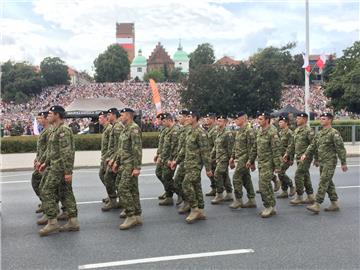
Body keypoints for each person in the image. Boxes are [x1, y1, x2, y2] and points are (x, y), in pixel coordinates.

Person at [38, 106, 79, 236]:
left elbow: (67, 153)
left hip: (59, 168)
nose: (47, 116)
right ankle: (73, 221)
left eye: (50, 114)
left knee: (46, 191)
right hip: (54, 166)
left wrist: (68, 172)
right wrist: (45, 162)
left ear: (57, 115)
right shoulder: (55, 130)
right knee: (65, 193)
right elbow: (52, 150)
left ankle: (52, 223)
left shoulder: (63, 130)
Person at [301, 112, 348, 213]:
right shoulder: (320, 133)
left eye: (323, 119)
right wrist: (308, 155)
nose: (321, 120)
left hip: (330, 162)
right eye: (321, 118)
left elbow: (340, 148)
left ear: (329, 120)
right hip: (322, 162)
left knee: (323, 182)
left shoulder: (334, 133)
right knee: (328, 182)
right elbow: (313, 146)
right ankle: (334, 203)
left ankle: (317, 204)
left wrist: (343, 162)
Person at [171, 111, 212, 224]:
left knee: (186, 184)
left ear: (195, 118)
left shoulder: (201, 133)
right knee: (196, 186)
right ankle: (201, 210)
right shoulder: (190, 131)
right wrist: (177, 161)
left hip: (195, 165)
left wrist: (208, 169)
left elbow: (205, 153)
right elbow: (184, 149)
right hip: (188, 163)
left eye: (189, 116)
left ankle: (194, 209)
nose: (187, 118)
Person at [112, 108, 143, 230]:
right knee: (133, 189)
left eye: (122, 114)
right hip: (124, 163)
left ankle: (131, 215)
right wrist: (117, 162)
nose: (120, 116)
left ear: (129, 116)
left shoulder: (134, 128)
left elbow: (137, 149)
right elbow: (122, 149)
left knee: (123, 188)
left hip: (130, 164)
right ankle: (137, 214)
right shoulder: (126, 129)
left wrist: (137, 167)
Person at [247, 112, 282, 218]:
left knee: (263, 185)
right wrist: (251, 160)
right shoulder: (260, 131)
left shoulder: (272, 132)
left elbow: (276, 151)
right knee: (267, 186)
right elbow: (255, 147)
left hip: (269, 162)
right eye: (258, 119)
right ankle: (272, 206)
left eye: (261, 119)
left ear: (267, 120)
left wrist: (277, 166)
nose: (258, 121)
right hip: (262, 162)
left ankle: (268, 206)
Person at [284, 112, 315, 205]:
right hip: (298, 157)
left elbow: (313, 144)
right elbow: (292, 144)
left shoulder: (309, 130)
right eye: (296, 118)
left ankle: (299, 196)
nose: (296, 120)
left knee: (298, 175)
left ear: (304, 119)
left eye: (299, 118)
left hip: (305, 157)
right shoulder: (297, 130)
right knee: (305, 176)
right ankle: (310, 196)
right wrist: (287, 154)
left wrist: (307, 155)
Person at [229, 112, 257, 209]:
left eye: (237, 119)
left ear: (243, 119)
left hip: (245, 158)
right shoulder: (239, 131)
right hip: (239, 157)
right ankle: (252, 199)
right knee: (246, 179)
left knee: (236, 177)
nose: (235, 121)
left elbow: (252, 147)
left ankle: (238, 200)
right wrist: (232, 157)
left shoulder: (249, 131)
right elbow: (235, 146)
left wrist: (251, 161)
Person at [102, 108, 123, 211]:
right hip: (113, 157)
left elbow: (119, 146)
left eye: (109, 115)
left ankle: (114, 200)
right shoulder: (115, 126)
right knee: (114, 179)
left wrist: (114, 159)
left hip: (117, 158)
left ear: (114, 115)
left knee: (109, 178)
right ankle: (116, 200)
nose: (107, 117)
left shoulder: (118, 127)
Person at [211, 114, 234, 204]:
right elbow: (216, 146)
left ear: (225, 122)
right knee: (224, 175)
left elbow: (230, 148)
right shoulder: (218, 132)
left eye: (220, 121)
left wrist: (231, 160)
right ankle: (229, 193)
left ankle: (219, 194)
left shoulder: (228, 133)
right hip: (218, 157)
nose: (218, 122)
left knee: (217, 174)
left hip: (224, 158)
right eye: (218, 120)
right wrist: (211, 156)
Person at [158, 113, 179, 206]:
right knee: (162, 175)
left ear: (170, 120)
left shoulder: (175, 130)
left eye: (164, 121)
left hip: (170, 159)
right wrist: (159, 155)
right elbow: (164, 145)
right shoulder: (167, 130)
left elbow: (174, 147)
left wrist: (172, 159)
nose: (162, 122)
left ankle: (182, 194)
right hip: (164, 158)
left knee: (167, 177)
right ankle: (169, 195)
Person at [32, 111, 50, 214]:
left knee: (43, 185)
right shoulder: (44, 130)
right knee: (38, 182)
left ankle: (49, 207)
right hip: (41, 161)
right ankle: (45, 203)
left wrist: (42, 161)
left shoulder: (49, 131)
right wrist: (36, 158)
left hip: (46, 163)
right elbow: (41, 148)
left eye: (40, 118)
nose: (38, 120)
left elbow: (49, 149)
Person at [173, 110, 192, 214]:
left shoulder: (188, 129)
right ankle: (187, 201)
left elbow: (185, 147)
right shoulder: (183, 129)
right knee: (179, 182)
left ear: (185, 117)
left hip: (187, 160)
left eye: (180, 117)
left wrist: (177, 160)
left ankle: (188, 202)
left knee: (182, 182)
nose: (178, 119)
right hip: (182, 159)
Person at [277, 115, 296, 198]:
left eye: (281, 122)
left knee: (280, 172)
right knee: (280, 173)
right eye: (279, 122)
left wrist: (291, 158)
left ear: (286, 123)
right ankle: (284, 191)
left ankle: (291, 185)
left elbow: (292, 146)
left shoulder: (290, 133)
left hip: (286, 157)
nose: (279, 123)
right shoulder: (280, 133)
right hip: (280, 157)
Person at [98, 111, 112, 204]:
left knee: (107, 177)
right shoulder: (106, 129)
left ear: (106, 118)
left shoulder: (109, 129)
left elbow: (112, 145)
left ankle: (113, 197)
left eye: (100, 118)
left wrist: (109, 158)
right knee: (103, 176)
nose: (99, 120)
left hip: (108, 158)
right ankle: (111, 195)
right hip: (105, 157)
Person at [154, 113, 168, 200]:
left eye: (158, 119)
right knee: (159, 173)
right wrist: (158, 154)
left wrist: (161, 156)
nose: (157, 121)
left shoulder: (167, 130)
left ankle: (177, 193)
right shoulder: (163, 129)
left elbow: (167, 146)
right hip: (162, 156)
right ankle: (168, 191)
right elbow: (161, 144)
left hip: (166, 157)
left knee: (166, 176)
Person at [204, 113, 218, 196]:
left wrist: (212, 156)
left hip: (213, 156)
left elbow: (216, 145)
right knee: (210, 173)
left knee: (215, 174)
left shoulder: (215, 130)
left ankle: (218, 189)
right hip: (209, 155)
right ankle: (214, 188)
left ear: (213, 120)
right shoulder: (209, 130)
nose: (206, 120)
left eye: (208, 119)